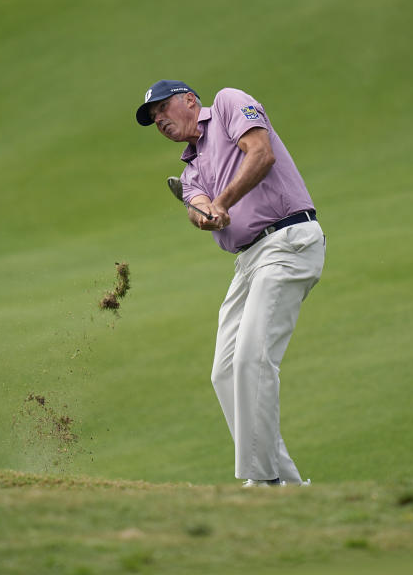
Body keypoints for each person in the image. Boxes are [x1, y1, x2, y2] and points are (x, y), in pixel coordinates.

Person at [135, 80, 326, 487]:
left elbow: (261, 154)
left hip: (288, 241)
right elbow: (197, 205)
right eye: (153, 120)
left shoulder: (227, 104)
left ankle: (261, 484)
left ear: (189, 100)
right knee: (224, 371)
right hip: (248, 261)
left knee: (252, 360)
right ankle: (287, 486)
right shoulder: (190, 172)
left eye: (163, 109)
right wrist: (206, 212)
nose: (160, 122)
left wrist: (222, 203)